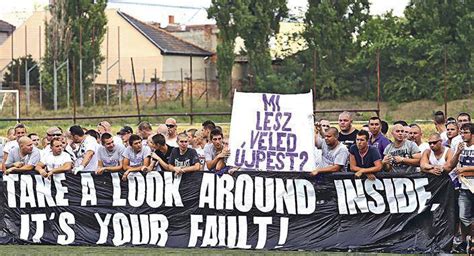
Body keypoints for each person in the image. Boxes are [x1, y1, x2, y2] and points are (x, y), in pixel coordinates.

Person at [449, 123, 474, 253]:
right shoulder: (461, 147)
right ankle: (470, 239)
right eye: (462, 133)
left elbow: (465, 168)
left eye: (465, 132)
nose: (462, 135)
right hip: (464, 186)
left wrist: (467, 169)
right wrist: (458, 152)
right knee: (463, 216)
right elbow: (452, 165)